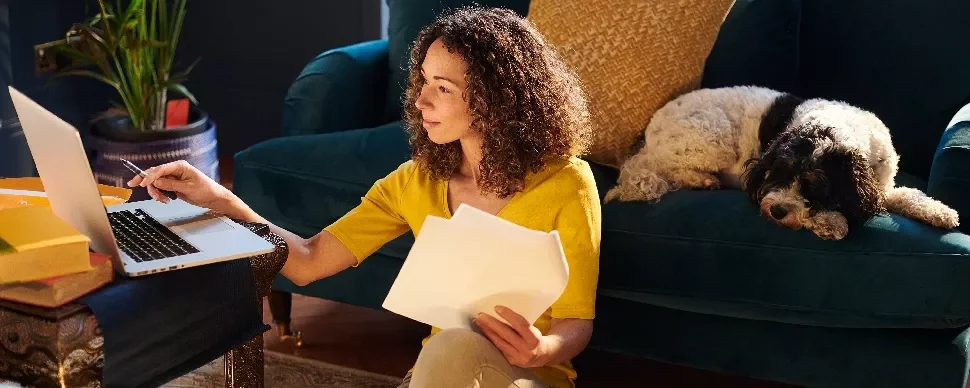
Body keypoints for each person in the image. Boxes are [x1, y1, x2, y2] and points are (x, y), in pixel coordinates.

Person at [129, 6, 600, 388]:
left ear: (495, 101)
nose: (420, 102)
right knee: (449, 349)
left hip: (528, 378)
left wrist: (542, 350)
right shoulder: (413, 182)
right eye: (423, 83)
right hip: (439, 375)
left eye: (443, 88)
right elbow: (308, 261)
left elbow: (576, 323)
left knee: (453, 346)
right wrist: (220, 200)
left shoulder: (567, 184)